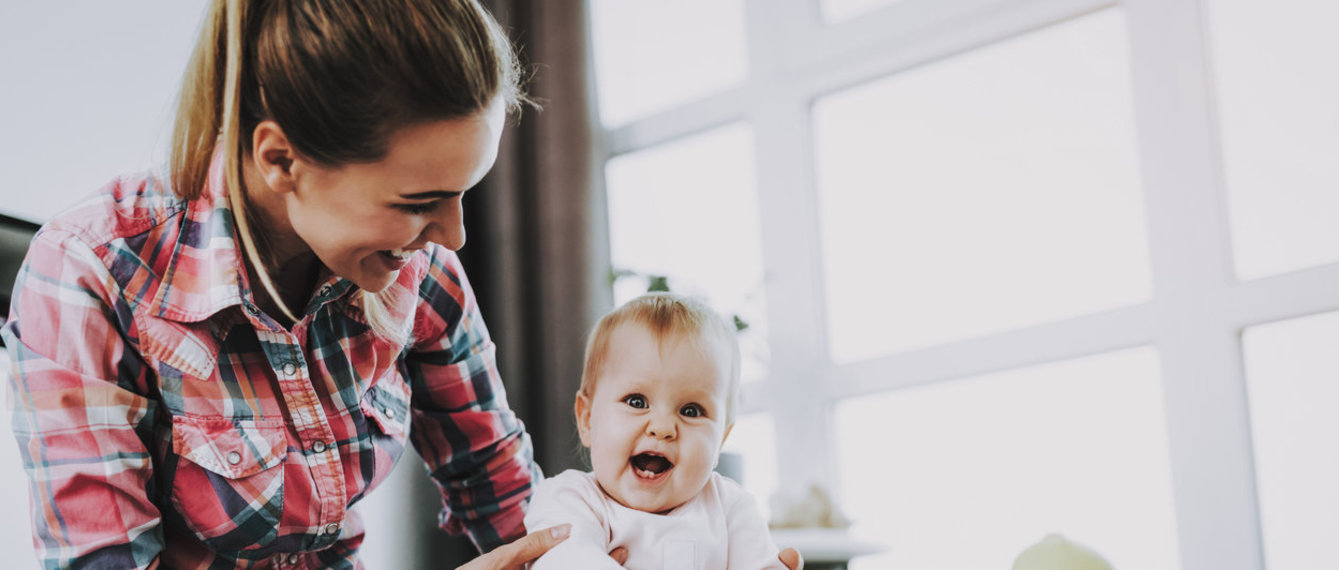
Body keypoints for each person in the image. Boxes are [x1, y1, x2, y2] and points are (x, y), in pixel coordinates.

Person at [2, 0, 805, 567]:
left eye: (464, 196)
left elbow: (512, 505)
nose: (452, 238)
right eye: (418, 203)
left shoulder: (425, 278)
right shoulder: (91, 274)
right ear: (280, 159)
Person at [524, 293, 786, 569]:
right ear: (587, 419)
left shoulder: (731, 509)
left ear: (720, 439)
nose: (662, 428)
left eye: (691, 410)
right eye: (637, 402)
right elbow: (567, 560)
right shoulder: (568, 499)